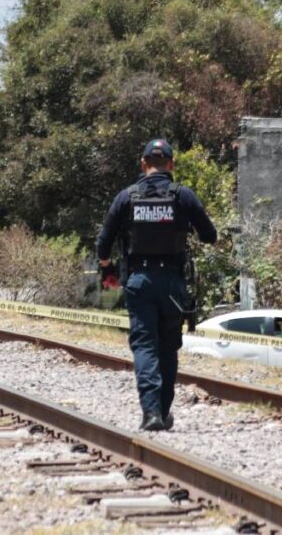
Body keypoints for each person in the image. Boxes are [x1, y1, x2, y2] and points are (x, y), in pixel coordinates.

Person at [96, 139, 217, 431]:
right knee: (168, 347)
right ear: (171, 165)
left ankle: (151, 412)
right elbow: (210, 236)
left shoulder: (126, 197)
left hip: (139, 280)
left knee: (145, 346)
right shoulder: (182, 195)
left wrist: (107, 269)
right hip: (173, 282)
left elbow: (103, 244)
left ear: (143, 164)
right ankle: (162, 411)